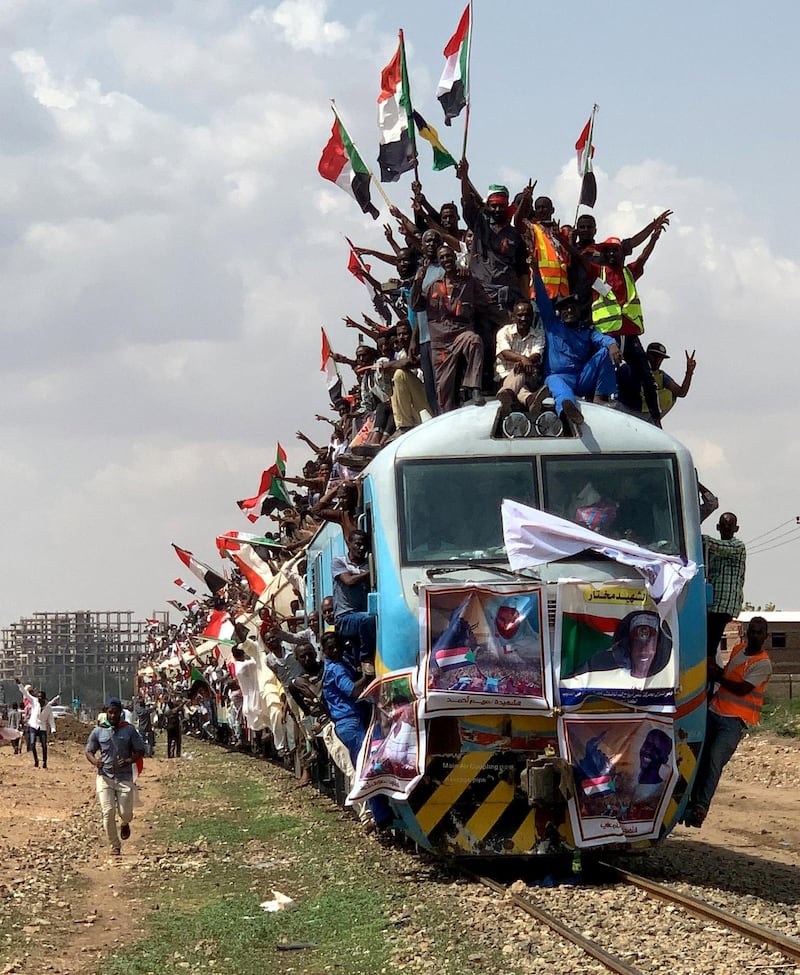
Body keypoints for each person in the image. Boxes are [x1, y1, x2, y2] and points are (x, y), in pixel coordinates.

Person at [683, 616, 772, 828]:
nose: (755, 635)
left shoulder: (763, 664)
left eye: (759, 632)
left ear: (766, 636)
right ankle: (687, 800)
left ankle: (700, 807)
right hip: (715, 711)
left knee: (714, 760)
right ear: (747, 632)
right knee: (698, 756)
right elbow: (728, 675)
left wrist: (717, 676)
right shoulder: (738, 650)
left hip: (734, 721)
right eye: (752, 631)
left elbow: (741, 688)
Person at [533, 274, 621, 431]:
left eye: (573, 308)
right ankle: (568, 409)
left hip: (581, 378)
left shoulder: (586, 331)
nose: (569, 311)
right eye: (565, 308)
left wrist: (612, 344)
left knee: (605, 351)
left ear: (579, 311)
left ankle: (600, 397)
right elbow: (541, 297)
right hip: (560, 377)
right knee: (555, 382)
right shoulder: (553, 325)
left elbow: (602, 339)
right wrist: (535, 270)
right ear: (559, 312)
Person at [411, 243, 484, 411]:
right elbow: (416, 306)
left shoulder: (467, 281)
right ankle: (447, 417)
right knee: (443, 390)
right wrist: (418, 282)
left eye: (448, 256)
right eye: (442, 257)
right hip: (441, 343)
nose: (446, 259)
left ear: (454, 258)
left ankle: (474, 388)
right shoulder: (432, 286)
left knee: (474, 341)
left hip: (461, 334)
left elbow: (484, 303)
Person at [85, 697, 146, 856]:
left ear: (120, 713)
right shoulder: (98, 731)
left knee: (125, 813)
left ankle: (125, 823)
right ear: (105, 713)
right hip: (104, 777)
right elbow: (89, 751)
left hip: (124, 778)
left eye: (115, 712)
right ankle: (115, 845)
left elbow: (140, 750)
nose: (112, 716)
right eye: (110, 712)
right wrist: (95, 762)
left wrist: (129, 760)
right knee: (108, 812)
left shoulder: (129, 730)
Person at [703, 512, 746, 662]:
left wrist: (697, 537)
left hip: (725, 605)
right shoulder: (712, 553)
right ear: (718, 527)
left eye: (730, 525)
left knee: (710, 646)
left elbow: (719, 546)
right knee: (707, 644)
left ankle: (711, 671)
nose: (726, 528)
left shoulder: (737, 546)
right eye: (724, 525)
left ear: (736, 528)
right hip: (712, 605)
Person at [331, 530, 376, 671]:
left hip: (360, 616)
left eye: (364, 545)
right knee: (367, 619)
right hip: (344, 618)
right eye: (357, 544)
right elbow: (348, 581)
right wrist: (371, 573)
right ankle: (366, 659)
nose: (361, 548)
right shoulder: (338, 562)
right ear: (349, 544)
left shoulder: (367, 563)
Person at [494, 300, 547, 414]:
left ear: (532, 317)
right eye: (520, 315)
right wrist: (523, 359)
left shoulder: (538, 334)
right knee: (522, 388)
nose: (523, 318)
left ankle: (507, 394)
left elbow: (537, 354)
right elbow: (505, 353)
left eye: (527, 315)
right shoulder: (504, 332)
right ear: (513, 317)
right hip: (505, 376)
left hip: (529, 376)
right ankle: (530, 400)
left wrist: (524, 362)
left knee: (521, 370)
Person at [640, 342, 696, 418]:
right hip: (631, 410)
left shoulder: (661, 376)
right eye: (655, 356)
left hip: (649, 413)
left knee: (671, 395)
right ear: (648, 355)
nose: (657, 361)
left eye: (660, 358)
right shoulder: (634, 369)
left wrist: (689, 372)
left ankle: (654, 420)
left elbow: (681, 392)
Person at [15, 678, 56, 769]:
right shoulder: (34, 701)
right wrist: (19, 684)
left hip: (42, 727)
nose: (39, 699)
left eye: (41, 697)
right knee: (32, 743)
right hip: (33, 725)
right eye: (38, 697)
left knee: (44, 746)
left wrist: (53, 729)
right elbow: (25, 693)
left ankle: (44, 762)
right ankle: (36, 761)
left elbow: (51, 719)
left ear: (44, 698)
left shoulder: (48, 707)